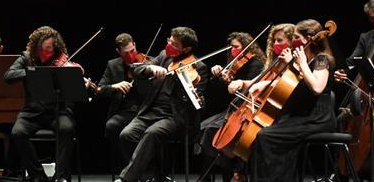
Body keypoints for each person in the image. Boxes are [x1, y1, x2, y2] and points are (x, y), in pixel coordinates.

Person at [114, 26, 207, 182]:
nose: (169, 46)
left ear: (187, 48)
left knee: (152, 133)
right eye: (169, 41)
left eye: (174, 44)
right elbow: (137, 70)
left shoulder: (199, 68)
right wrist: (150, 68)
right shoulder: (164, 56)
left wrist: (188, 89)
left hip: (174, 116)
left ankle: (126, 179)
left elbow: (199, 103)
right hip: (151, 111)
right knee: (126, 135)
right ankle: (154, 176)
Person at [248, 19, 336, 181]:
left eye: (296, 37)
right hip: (301, 116)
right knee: (262, 133)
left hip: (316, 119)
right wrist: (266, 83)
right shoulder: (305, 60)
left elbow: (317, 87)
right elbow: (293, 85)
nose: (293, 41)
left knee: (266, 136)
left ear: (308, 38)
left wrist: (302, 63)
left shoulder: (322, 59)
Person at [4, 26, 78, 182]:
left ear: (55, 47)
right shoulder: (26, 57)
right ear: (36, 46)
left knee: (67, 128)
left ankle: (60, 177)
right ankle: (38, 175)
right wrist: (32, 72)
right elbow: (8, 75)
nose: (46, 53)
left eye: (50, 49)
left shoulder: (61, 58)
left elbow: (73, 81)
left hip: (58, 110)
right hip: (32, 112)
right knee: (17, 132)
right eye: (42, 49)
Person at [197, 32, 266, 182]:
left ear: (248, 47)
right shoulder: (233, 64)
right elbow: (219, 95)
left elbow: (249, 93)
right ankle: (208, 176)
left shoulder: (257, 64)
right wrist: (219, 78)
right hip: (232, 108)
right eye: (231, 47)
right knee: (203, 127)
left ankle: (227, 175)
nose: (233, 50)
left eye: (236, 47)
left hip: (244, 110)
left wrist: (233, 82)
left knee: (212, 130)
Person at [95, 33, 152, 175]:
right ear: (118, 52)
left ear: (135, 45)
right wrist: (114, 86)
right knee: (111, 126)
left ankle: (141, 170)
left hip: (145, 110)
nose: (131, 55)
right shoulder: (112, 65)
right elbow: (100, 90)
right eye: (126, 53)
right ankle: (129, 166)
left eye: (132, 50)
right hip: (124, 112)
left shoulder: (148, 62)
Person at [334, 0, 374, 83]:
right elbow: (352, 61)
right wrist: (341, 71)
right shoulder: (366, 37)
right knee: (356, 95)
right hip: (372, 86)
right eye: (372, 18)